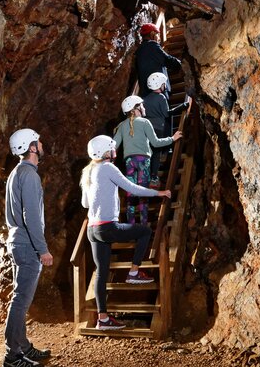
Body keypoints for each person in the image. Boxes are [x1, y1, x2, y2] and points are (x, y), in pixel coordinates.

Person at [81, 135, 172, 330]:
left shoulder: (88, 172)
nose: (115, 151)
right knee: (145, 232)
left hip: (92, 230)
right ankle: (133, 271)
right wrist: (159, 193)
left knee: (101, 273)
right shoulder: (107, 168)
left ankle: (103, 320)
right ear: (107, 151)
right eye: (113, 148)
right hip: (107, 227)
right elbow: (131, 188)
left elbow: (85, 203)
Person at [2, 128, 53, 367]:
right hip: (26, 245)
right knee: (20, 301)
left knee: (19, 298)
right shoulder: (30, 176)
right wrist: (42, 249)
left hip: (17, 242)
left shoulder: (16, 173)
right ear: (32, 148)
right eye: (38, 141)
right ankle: (12, 356)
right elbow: (31, 216)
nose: (42, 144)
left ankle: (22, 346)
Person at [113, 95, 182, 225]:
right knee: (143, 194)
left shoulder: (122, 126)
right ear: (136, 108)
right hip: (143, 161)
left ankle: (131, 226)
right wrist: (172, 138)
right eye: (141, 105)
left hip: (129, 162)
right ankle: (143, 226)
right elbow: (155, 143)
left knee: (130, 193)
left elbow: (113, 145)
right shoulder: (145, 122)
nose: (144, 107)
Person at [142, 72, 191, 188]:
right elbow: (167, 113)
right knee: (156, 154)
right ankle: (153, 178)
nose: (165, 85)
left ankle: (144, 178)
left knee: (149, 153)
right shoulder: (161, 97)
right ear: (160, 85)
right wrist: (183, 106)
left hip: (146, 129)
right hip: (158, 129)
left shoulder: (145, 98)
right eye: (164, 84)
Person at [135, 23, 182, 98]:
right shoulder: (152, 45)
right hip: (159, 89)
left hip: (146, 94)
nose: (158, 37)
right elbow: (167, 59)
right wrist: (181, 64)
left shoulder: (138, 51)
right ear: (152, 34)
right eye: (157, 34)